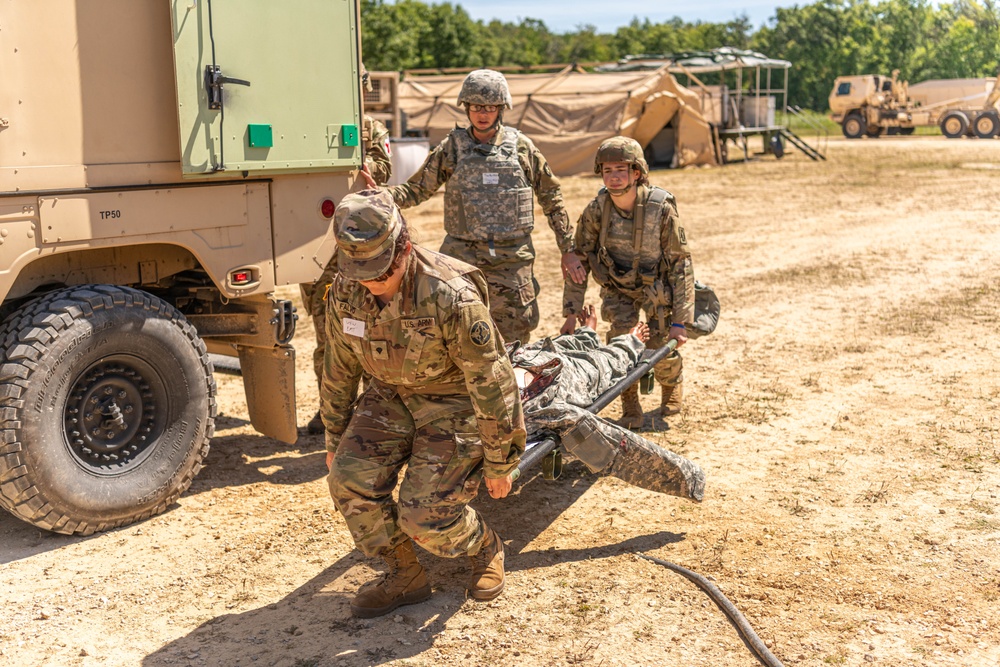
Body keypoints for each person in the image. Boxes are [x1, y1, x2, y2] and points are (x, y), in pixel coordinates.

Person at [320, 189, 526, 618]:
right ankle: (404, 573)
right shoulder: (345, 290)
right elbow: (338, 366)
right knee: (347, 478)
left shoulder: (449, 293)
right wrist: (333, 436)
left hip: (454, 400)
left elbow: (490, 378)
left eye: (379, 270)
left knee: (423, 515)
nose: (370, 282)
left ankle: (484, 545)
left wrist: (500, 461)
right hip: (389, 396)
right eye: (359, 270)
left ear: (403, 248)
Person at [377, 68, 586, 345]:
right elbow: (416, 190)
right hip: (461, 259)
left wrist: (568, 250)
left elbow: (552, 198)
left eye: (490, 107)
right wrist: (379, 195)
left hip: (511, 260)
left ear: (501, 108)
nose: (483, 113)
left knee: (514, 339)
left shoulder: (522, 148)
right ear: (467, 108)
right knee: (453, 333)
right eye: (476, 106)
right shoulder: (452, 147)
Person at [561, 137, 695, 429]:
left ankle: (671, 387)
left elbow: (681, 264)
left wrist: (681, 322)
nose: (614, 176)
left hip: (656, 287)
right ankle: (629, 404)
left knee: (660, 346)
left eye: (621, 169)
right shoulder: (597, 209)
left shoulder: (661, 208)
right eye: (608, 170)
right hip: (618, 288)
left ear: (637, 173)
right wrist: (571, 313)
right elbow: (579, 261)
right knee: (621, 344)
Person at [513, 306, 704, 501]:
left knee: (556, 346)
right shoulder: (540, 412)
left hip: (522, 358)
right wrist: (688, 478)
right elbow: (615, 446)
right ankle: (628, 341)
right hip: (560, 381)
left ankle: (588, 335)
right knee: (604, 362)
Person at [302, 66, 393, 435]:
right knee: (326, 336)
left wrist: (358, 165)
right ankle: (330, 412)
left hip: (364, 249)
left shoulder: (371, 129)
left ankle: (372, 412)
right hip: (318, 249)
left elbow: (385, 167)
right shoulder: (309, 125)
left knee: (370, 331)